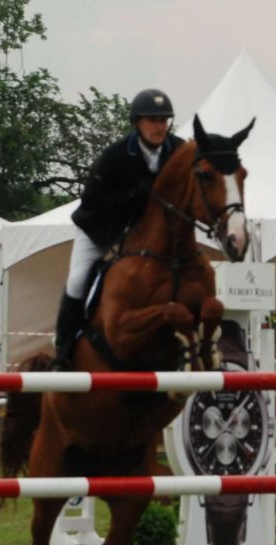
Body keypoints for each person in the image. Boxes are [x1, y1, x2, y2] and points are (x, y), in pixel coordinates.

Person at [53, 88, 188, 369]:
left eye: (164, 121)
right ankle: (63, 352)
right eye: (152, 120)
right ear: (137, 123)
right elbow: (92, 200)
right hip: (100, 229)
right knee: (78, 280)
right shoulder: (115, 156)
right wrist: (132, 194)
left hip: (142, 234)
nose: (159, 127)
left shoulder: (178, 151)